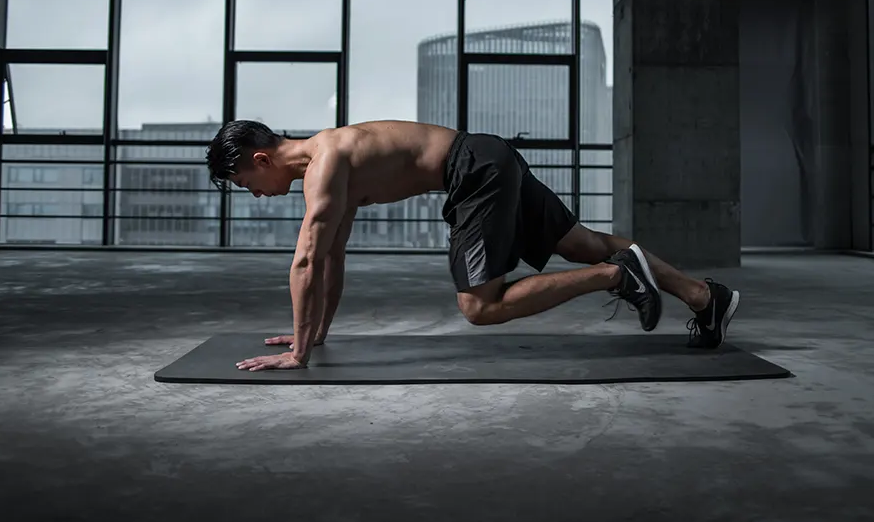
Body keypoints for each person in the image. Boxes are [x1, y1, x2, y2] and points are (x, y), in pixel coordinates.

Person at [205, 119, 740, 372]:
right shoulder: (328, 159)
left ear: (260, 160)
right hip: (487, 156)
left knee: (480, 306)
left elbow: (304, 260)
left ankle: (618, 276)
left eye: (245, 185)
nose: (254, 195)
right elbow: (330, 256)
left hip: (474, 170)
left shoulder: (324, 167)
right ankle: (703, 297)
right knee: (585, 243)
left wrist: (298, 355)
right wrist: (314, 335)